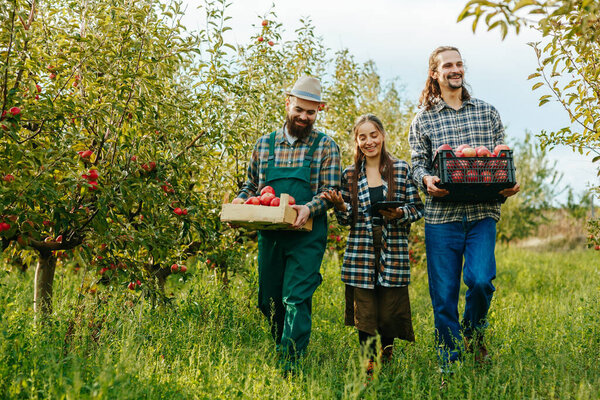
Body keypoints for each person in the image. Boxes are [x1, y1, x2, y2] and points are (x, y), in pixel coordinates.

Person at [408, 46, 520, 374]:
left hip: (483, 211)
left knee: (482, 280)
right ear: (435, 74)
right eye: (447, 65)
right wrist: (427, 178)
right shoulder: (423, 119)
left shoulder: (487, 112)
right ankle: (450, 362)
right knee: (444, 296)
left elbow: (502, 157)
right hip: (443, 217)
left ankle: (472, 335)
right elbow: (416, 163)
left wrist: (510, 182)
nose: (455, 69)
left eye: (459, 64)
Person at [231, 76, 341, 374]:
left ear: (318, 110)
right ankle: (283, 346)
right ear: (287, 103)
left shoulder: (325, 147)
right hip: (271, 234)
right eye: (299, 110)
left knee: (296, 298)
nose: (304, 117)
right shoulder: (264, 144)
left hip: (306, 235)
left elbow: (330, 192)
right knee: (269, 300)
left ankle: (288, 365)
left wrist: (309, 207)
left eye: (311, 112)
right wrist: (241, 204)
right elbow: (252, 186)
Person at [321, 114, 424, 379]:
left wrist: (400, 213)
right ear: (356, 141)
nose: (369, 141)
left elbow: (417, 208)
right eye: (362, 137)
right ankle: (368, 364)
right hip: (361, 249)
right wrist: (341, 206)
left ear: (383, 135)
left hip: (393, 246)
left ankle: (386, 354)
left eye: (373, 135)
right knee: (365, 310)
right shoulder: (350, 175)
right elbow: (345, 220)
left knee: (389, 309)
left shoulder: (401, 169)